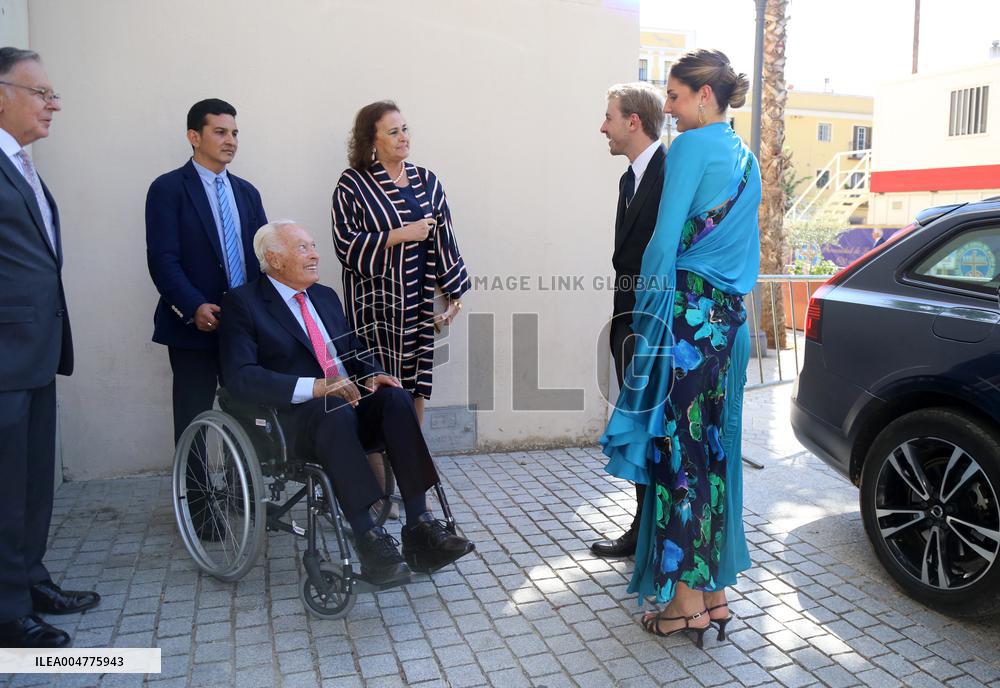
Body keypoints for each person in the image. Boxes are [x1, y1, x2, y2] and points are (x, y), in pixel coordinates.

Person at [600, 48, 759, 644]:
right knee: (715, 455)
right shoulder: (745, 158)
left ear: (703, 97)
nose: (666, 108)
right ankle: (714, 598)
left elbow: (662, 245)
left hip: (683, 324)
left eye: (672, 96)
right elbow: (747, 257)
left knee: (676, 457)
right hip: (728, 328)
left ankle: (683, 606)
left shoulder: (691, 147)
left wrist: (646, 324)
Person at [218, 221, 475, 585]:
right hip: (293, 421)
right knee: (334, 412)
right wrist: (317, 386)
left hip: (345, 405)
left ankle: (421, 527)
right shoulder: (243, 304)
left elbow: (352, 351)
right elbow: (240, 377)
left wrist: (371, 373)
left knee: (396, 399)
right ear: (274, 259)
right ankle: (369, 538)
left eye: (313, 245)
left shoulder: (323, 297)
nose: (315, 254)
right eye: (304, 248)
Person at [0, 47, 100, 648]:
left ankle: (29, 580)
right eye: (42, 93)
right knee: (5, 489)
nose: (54, 104)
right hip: (5, 358)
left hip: (34, 353)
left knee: (32, 483)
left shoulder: (23, 164)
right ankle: (8, 612)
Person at [145, 99, 267, 536]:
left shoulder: (248, 193)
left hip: (244, 329)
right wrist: (192, 305)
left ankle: (244, 497)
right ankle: (198, 511)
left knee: (251, 413)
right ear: (194, 136)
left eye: (234, 133)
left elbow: (263, 259)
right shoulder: (168, 189)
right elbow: (163, 259)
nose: (230, 140)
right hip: (193, 327)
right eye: (220, 132)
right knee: (195, 419)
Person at [332, 101, 470, 424]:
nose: (403, 137)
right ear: (372, 141)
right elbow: (346, 245)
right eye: (393, 132)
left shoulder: (427, 181)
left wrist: (453, 295)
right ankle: (380, 463)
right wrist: (402, 234)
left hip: (418, 302)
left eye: (405, 129)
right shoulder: (353, 184)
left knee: (416, 382)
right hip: (375, 307)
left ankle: (413, 461)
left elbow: (444, 239)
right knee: (379, 380)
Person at [591, 83, 668, 559]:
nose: (603, 127)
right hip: (627, 323)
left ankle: (661, 533)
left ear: (633, 122)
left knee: (656, 429)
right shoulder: (627, 179)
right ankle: (642, 530)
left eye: (609, 117)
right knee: (638, 430)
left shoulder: (672, 172)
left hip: (658, 326)